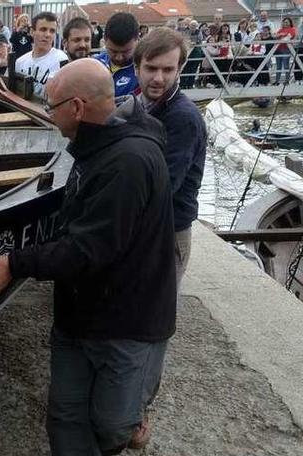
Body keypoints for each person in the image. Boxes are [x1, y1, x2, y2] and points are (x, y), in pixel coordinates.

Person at [0, 59, 175, 456]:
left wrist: (15, 262)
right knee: (65, 414)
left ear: (78, 108)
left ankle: (134, 413)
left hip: (129, 322)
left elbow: (88, 249)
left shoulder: (128, 163)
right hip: (78, 317)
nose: (47, 114)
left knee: (112, 426)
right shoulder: (93, 148)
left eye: (52, 106)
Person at [134, 28, 206, 290]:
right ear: (137, 68)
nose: (158, 78)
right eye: (151, 68)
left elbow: (163, 185)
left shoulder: (183, 119)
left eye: (168, 70)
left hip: (167, 232)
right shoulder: (139, 105)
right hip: (144, 227)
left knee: (152, 315)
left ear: (180, 69)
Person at [14, 12, 68, 99]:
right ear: (32, 32)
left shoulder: (61, 60)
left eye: (52, 31)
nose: (47, 35)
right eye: (43, 29)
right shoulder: (20, 62)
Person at [93, 12, 140, 96]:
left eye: (126, 52)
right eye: (113, 51)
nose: (119, 57)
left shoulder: (144, 71)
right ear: (104, 40)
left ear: (137, 40)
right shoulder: (93, 65)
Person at [275, 17, 296, 85]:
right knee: (278, 66)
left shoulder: (292, 29)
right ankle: (277, 81)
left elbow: (288, 37)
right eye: (284, 22)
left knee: (286, 66)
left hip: (286, 49)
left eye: (287, 22)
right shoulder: (280, 29)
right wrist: (281, 35)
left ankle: (287, 81)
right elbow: (275, 36)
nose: (285, 23)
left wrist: (281, 35)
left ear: (290, 23)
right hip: (278, 49)